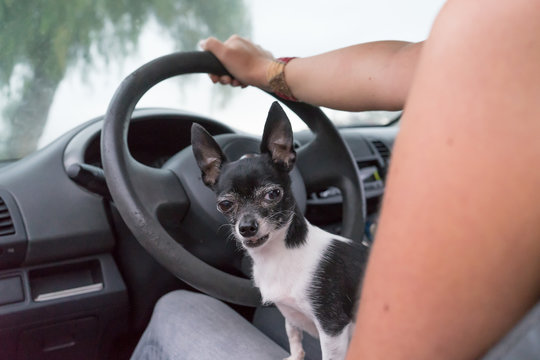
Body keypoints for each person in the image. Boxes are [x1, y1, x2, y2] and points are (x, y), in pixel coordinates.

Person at [133, 0, 540, 358]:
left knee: (176, 310)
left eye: (271, 195)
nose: (245, 219)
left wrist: (268, 70)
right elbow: (403, 65)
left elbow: (411, 64)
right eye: (228, 207)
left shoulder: (505, 28)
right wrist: (266, 70)